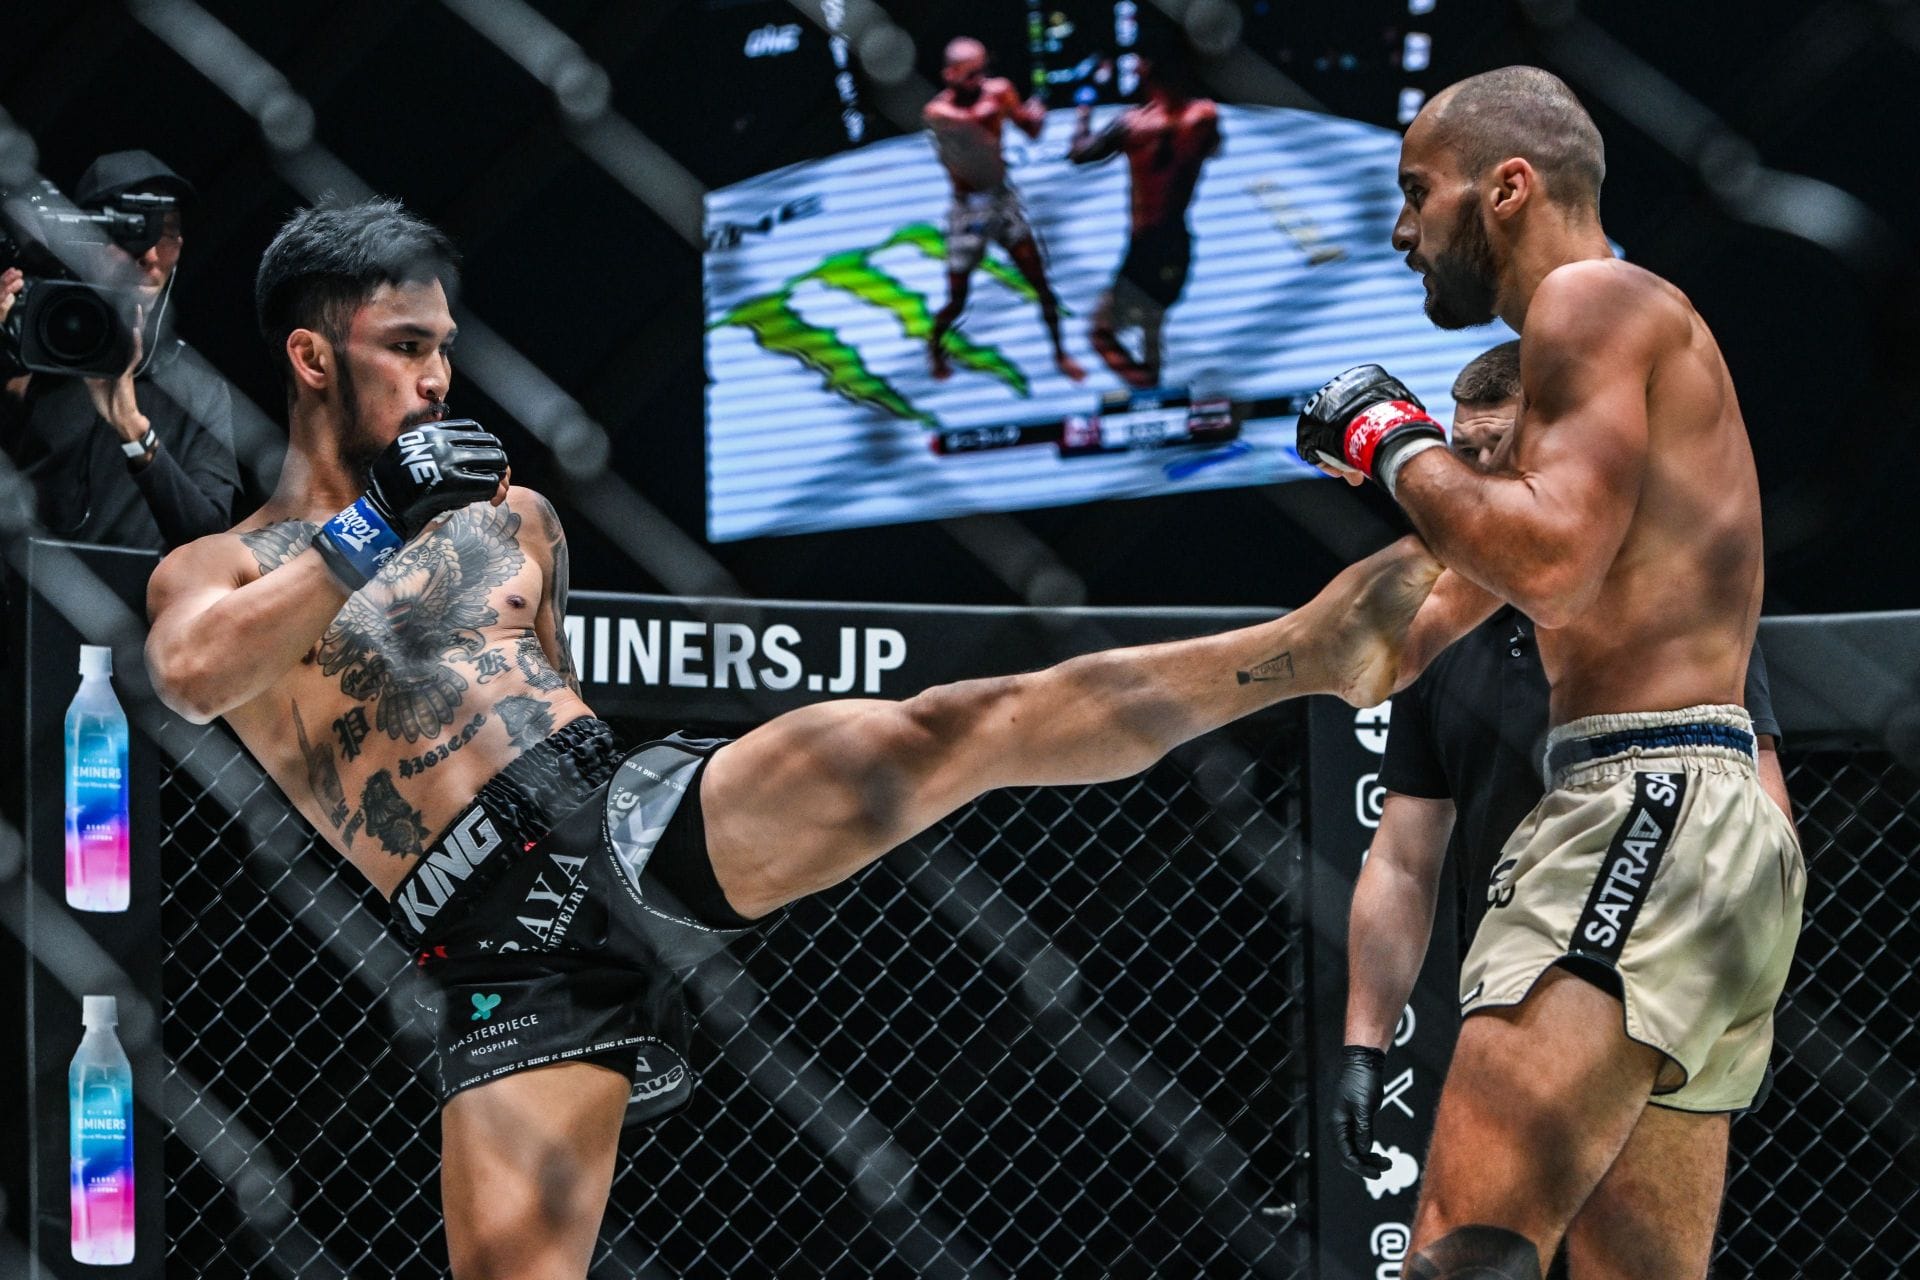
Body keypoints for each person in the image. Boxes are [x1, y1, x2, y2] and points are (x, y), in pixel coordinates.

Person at [144, 197, 1479, 1279]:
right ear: (313, 356)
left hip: (620, 822)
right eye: (402, 348)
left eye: (445, 346)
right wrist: (373, 518)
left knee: (952, 728)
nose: (439, 380)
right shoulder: (225, 564)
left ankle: (1309, 651)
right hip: (492, 937)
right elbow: (199, 675)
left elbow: (526, 697)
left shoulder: (518, 517)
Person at [1296, 66, 1805, 1279]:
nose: (1403, 228)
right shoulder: (1621, 360)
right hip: (1705, 832)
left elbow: (1553, 565)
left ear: (1508, 187)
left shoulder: (1588, 300)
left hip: (1641, 801)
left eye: (1420, 191)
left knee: (1465, 1253)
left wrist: (1388, 434)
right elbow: (1427, 629)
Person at [0, 150, 238, 552]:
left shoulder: (200, 391)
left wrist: (134, 431)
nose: (148, 255)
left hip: (141, 604)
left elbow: (209, 542)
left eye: (165, 233)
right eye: (129, 232)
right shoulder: (30, 349)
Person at [923, 37, 1084, 383]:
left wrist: (1035, 114)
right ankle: (934, 348)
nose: (980, 81)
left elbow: (1030, 130)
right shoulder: (938, 113)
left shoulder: (997, 92)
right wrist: (1005, 103)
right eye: (970, 75)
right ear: (948, 75)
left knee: (1041, 283)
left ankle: (1060, 352)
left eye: (983, 72)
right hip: (967, 212)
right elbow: (976, 130)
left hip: (1002, 200)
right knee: (957, 299)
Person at [1067, 48, 1220, 388]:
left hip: (1144, 245)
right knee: (1153, 325)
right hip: (1178, 239)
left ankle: (1146, 387)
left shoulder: (1131, 126)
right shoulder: (1204, 116)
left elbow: (1078, 155)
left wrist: (1082, 113)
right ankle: (1154, 388)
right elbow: (1213, 147)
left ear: (1149, 75)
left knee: (1101, 332)